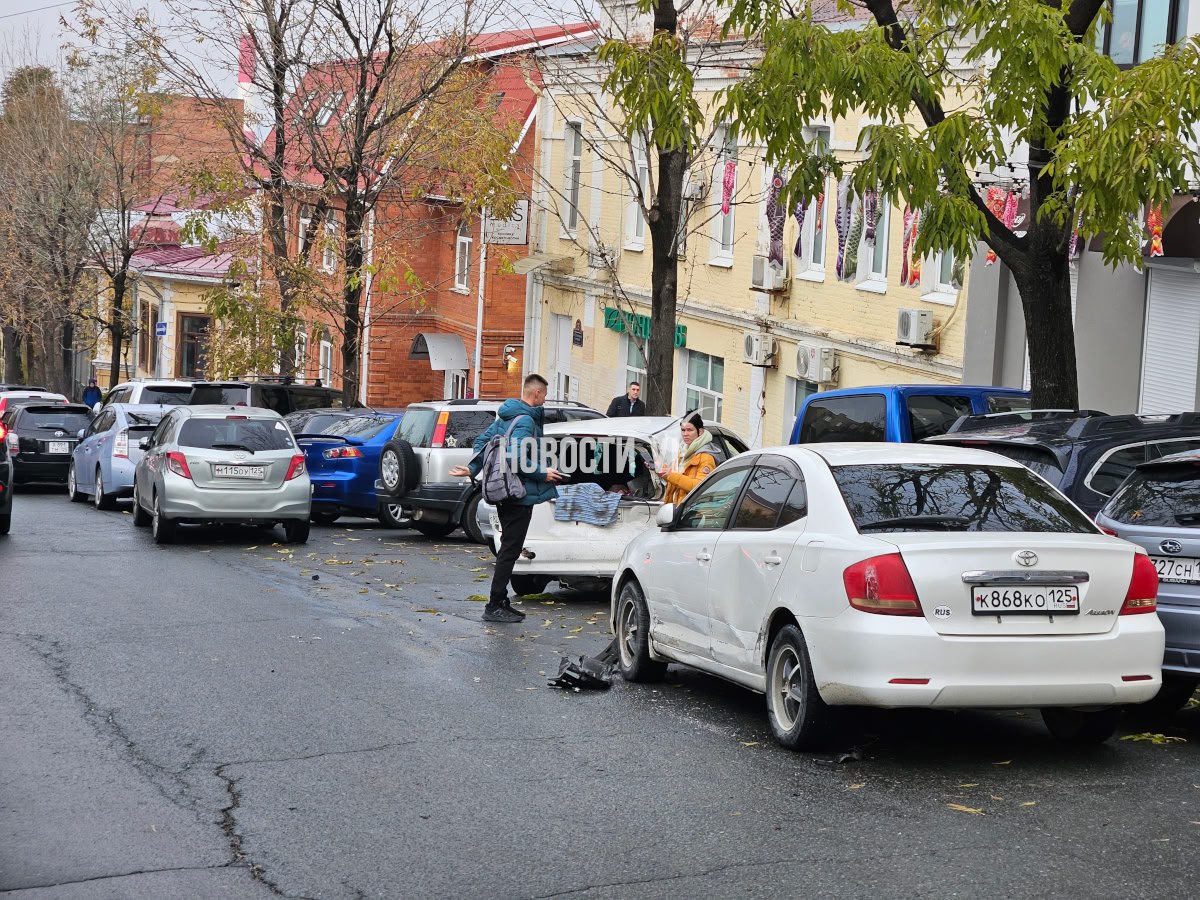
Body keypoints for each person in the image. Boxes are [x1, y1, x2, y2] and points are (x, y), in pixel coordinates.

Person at [449, 373, 564, 623]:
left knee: (508, 549)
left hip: (503, 492)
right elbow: (516, 459)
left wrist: (472, 468)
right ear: (536, 394)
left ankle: (501, 600)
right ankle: (494, 604)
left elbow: (483, 441)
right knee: (510, 551)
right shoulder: (524, 422)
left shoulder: (507, 416)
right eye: (544, 394)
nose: (545, 398)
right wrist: (543, 473)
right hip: (517, 494)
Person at [658, 412, 720, 505]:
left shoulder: (706, 457)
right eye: (683, 430)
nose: (685, 434)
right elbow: (675, 475)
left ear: (700, 431)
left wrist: (670, 475)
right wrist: (658, 467)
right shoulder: (683, 451)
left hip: (692, 512)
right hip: (677, 509)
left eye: (689, 430)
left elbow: (699, 487)